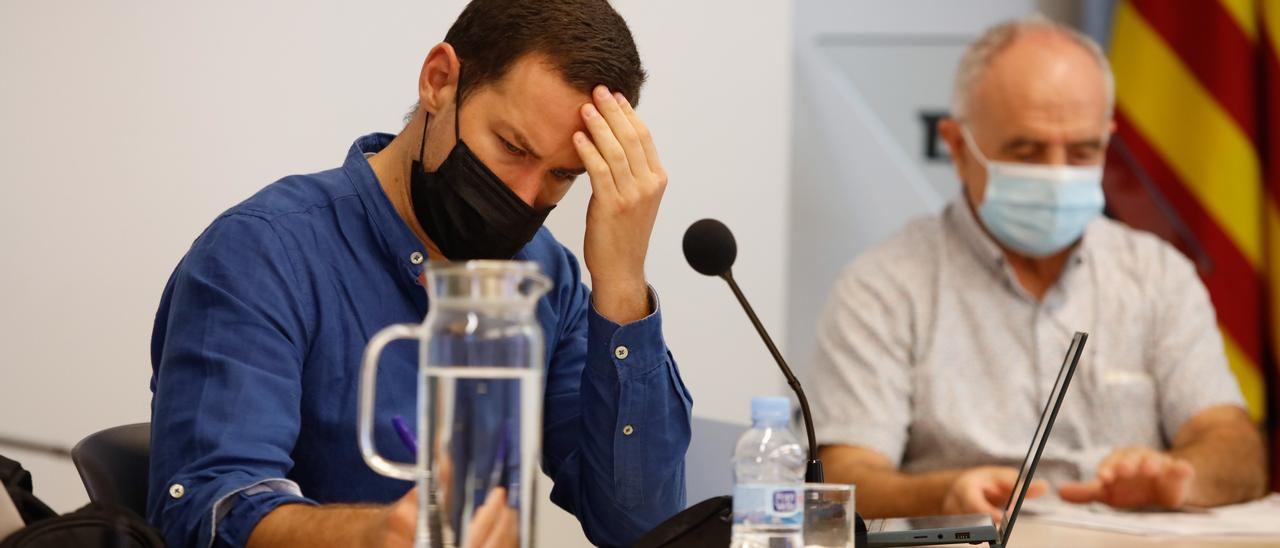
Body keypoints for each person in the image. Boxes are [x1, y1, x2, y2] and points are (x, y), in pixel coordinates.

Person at [147, 1, 693, 546]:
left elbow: (639, 527)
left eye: (560, 175)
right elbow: (205, 510)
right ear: (439, 81)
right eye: (511, 147)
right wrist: (371, 536)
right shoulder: (264, 253)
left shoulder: (543, 277)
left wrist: (621, 279)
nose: (526, 196)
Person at [809, 15, 1267, 522]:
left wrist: (1183, 475)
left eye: (1081, 151)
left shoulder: (1159, 275)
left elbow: (1237, 450)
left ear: (1108, 142)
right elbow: (843, 476)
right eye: (1026, 151)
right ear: (958, 147)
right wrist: (942, 495)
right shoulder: (884, 287)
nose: (1056, 175)